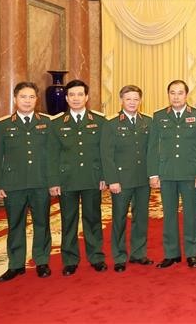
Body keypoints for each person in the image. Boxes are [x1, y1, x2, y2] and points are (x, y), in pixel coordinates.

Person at [0, 82, 52, 281]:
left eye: (31, 97)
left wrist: (53, 181)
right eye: (23, 97)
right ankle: (16, 265)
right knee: (15, 224)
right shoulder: (3, 124)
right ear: (15, 99)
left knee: (42, 223)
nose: (27, 101)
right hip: (13, 184)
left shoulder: (46, 123)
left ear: (36, 99)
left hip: (40, 182)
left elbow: (52, 156)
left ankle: (41, 261)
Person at [48, 79, 107, 276]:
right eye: (72, 95)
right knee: (69, 220)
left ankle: (96, 257)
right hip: (67, 180)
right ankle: (70, 260)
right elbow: (52, 155)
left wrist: (103, 176)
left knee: (93, 219)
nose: (76, 98)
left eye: (80, 94)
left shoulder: (99, 121)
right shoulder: (56, 123)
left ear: (87, 97)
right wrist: (54, 181)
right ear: (66, 98)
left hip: (92, 178)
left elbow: (103, 152)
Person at [147, 80, 196, 269]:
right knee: (169, 215)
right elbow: (152, 148)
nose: (176, 96)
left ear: (186, 95)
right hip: (167, 173)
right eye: (172, 93)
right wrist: (153, 174)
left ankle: (191, 253)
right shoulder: (158, 117)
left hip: (190, 174)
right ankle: (171, 253)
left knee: (191, 214)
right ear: (168, 95)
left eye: (180, 93)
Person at [100, 85, 153, 272]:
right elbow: (107, 155)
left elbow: (152, 151)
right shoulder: (112, 124)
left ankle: (139, 253)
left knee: (141, 217)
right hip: (121, 180)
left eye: (136, 99)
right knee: (119, 218)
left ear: (140, 101)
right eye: (128, 99)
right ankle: (120, 256)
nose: (132, 102)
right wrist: (112, 180)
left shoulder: (148, 122)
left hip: (142, 179)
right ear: (121, 100)